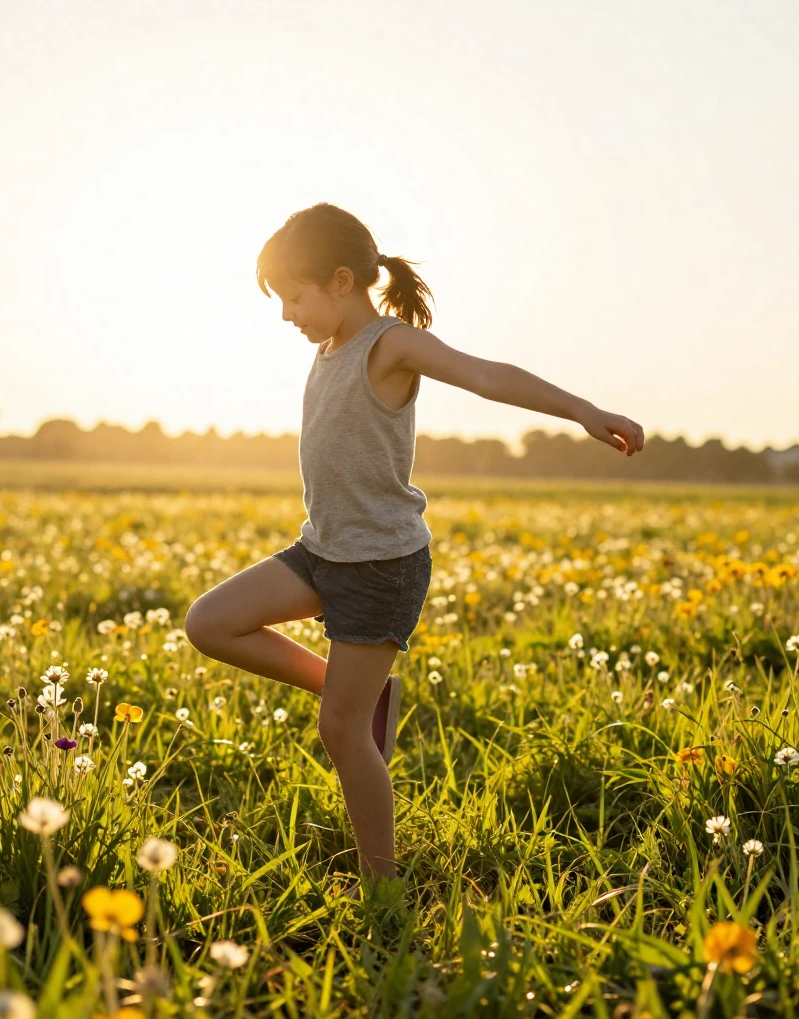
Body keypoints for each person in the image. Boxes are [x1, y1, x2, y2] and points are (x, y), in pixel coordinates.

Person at [184, 202, 644, 899]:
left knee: (342, 732)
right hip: (323, 552)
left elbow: (487, 374)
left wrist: (584, 410)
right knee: (209, 623)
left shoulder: (389, 345)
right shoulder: (328, 346)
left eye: (294, 298)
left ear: (342, 281)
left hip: (380, 567)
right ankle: (369, 693)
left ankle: (382, 889)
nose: (287, 316)